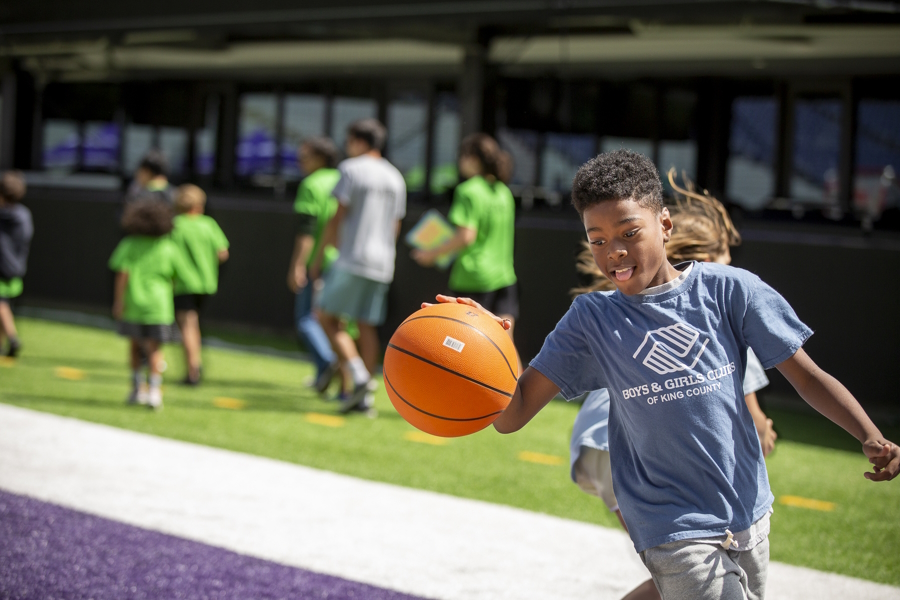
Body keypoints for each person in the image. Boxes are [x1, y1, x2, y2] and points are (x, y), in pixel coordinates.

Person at [431, 150, 899, 600]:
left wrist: (869, 433)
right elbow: (510, 416)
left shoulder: (731, 291)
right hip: (669, 525)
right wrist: (482, 339)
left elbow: (808, 377)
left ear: (665, 224)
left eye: (628, 233)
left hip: (748, 508)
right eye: (596, 239)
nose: (612, 251)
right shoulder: (590, 320)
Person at [568, 169, 776, 600]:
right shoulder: (716, 302)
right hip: (634, 453)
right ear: (703, 256)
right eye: (723, 254)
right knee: (684, 554)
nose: (730, 263)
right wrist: (760, 428)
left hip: (598, 446)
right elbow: (752, 414)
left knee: (680, 564)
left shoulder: (634, 305)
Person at [314, 118, 407, 415]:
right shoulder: (396, 177)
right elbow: (396, 225)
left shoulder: (350, 169)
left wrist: (318, 257)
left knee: (325, 317)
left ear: (358, 140)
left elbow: (337, 216)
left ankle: (359, 377)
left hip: (351, 258)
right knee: (366, 325)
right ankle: (363, 396)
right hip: (382, 263)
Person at [412, 133, 522, 372]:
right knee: (505, 344)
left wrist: (430, 254)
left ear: (472, 158)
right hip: (505, 276)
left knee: (460, 344)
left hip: (473, 277)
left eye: (461, 156)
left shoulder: (468, 191)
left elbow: (466, 236)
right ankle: (517, 399)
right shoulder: (503, 191)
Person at [109, 199, 198, 409]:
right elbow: (179, 276)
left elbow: (122, 274)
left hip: (134, 303)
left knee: (134, 346)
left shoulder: (129, 244)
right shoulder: (168, 247)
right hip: (159, 306)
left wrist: (118, 301)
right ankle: (155, 391)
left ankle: (137, 388)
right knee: (155, 349)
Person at [286, 137, 341, 391]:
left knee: (306, 319)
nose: (300, 162)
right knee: (335, 321)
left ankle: (329, 361)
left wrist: (298, 265)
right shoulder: (342, 180)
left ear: (320, 158)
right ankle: (324, 374)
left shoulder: (311, 184)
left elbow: (306, 231)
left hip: (318, 263)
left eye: (304, 157)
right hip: (343, 262)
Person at [170, 184, 229, 385]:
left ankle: (193, 369)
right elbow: (223, 253)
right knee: (193, 325)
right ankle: (196, 363)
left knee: (187, 326)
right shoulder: (208, 224)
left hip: (183, 283)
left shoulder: (175, 225)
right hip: (205, 283)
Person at [0, 171, 32, 358]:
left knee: (1, 305)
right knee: (4, 304)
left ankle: (12, 338)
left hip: (3, 268)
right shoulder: (24, 215)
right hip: (17, 268)